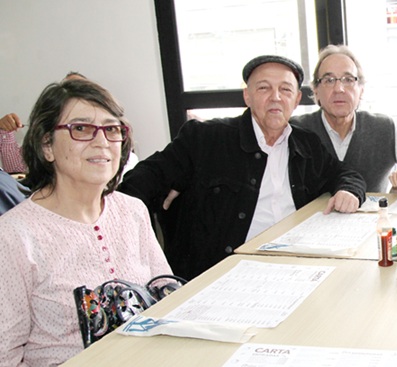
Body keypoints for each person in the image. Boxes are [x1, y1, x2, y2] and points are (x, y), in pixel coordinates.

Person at [119, 55, 366, 280]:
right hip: (222, 274)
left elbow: (345, 174)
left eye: (285, 89)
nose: (276, 97)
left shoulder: (306, 143)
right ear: (247, 95)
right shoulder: (206, 138)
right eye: (264, 88)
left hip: (295, 267)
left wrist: (349, 190)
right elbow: (138, 183)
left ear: (297, 99)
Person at [0, 78, 172, 366]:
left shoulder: (132, 211)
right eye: (80, 128)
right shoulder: (15, 235)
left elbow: (165, 294)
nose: (102, 142)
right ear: (47, 146)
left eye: (111, 129)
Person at [291, 45, 397, 193]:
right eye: (329, 80)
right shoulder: (294, 131)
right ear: (315, 90)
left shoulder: (384, 129)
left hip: (374, 216)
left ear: (361, 90)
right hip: (309, 216)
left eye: (348, 80)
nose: (339, 88)